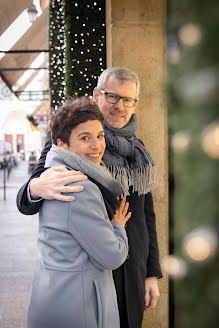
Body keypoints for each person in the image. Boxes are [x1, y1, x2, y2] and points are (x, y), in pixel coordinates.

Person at [17, 67, 162, 328]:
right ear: (97, 94)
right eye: (113, 97)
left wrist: (151, 273)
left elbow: (145, 217)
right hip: (95, 273)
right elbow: (27, 196)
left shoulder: (139, 152)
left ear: (135, 104)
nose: (120, 106)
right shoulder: (69, 143)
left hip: (134, 267)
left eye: (128, 100)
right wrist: (35, 187)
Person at [27, 97, 130, 328]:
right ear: (62, 144)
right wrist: (118, 227)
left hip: (55, 295)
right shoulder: (79, 185)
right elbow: (112, 256)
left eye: (100, 136)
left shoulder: (55, 173)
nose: (97, 146)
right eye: (85, 138)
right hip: (79, 308)